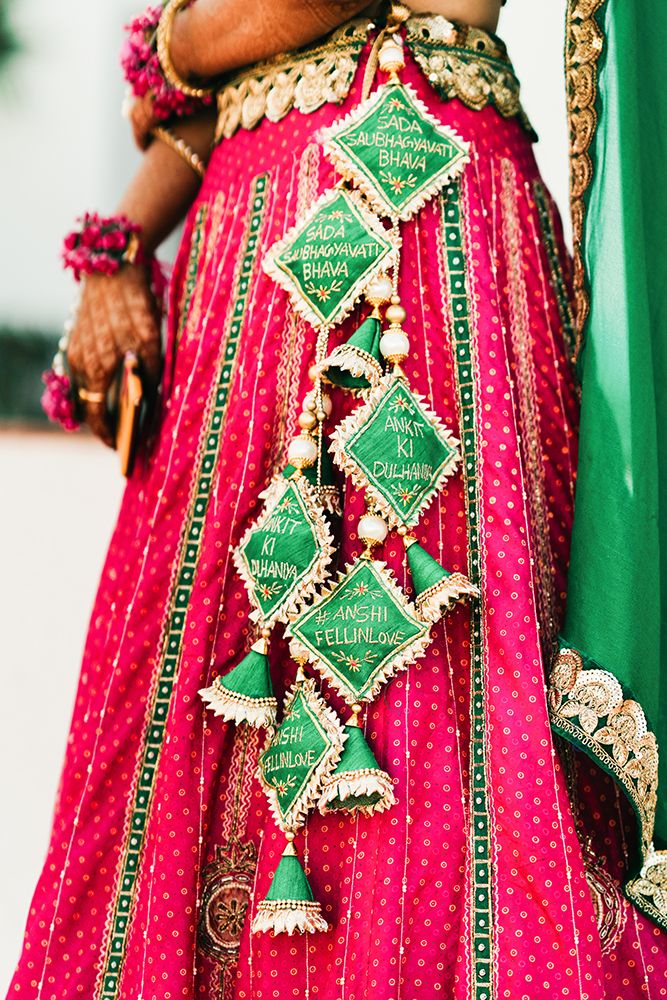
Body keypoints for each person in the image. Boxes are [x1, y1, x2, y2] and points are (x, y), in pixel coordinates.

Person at [8, 1, 667, 998]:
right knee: (191, 709)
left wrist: (174, 43)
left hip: (390, 220)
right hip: (257, 240)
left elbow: (288, 12)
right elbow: (227, 72)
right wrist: (116, 251)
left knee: (417, 719)